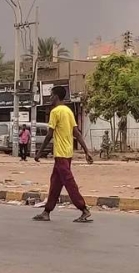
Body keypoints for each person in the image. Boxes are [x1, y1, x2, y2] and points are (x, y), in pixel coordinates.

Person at [33, 86, 94, 223]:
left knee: (69, 182)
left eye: (51, 96)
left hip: (60, 153)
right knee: (55, 183)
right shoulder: (68, 111)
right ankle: (46, 211)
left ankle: (84, 209)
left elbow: (49, 134)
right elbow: (76, 132)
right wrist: (86, 151)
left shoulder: (55, 112)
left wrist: (39, 152)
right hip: (67, 153)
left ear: (56, 96)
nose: (50, 98)